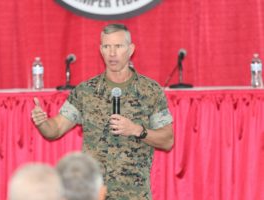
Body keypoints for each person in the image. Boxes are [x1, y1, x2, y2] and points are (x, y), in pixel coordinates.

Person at [31, 23, 174, 200]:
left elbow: (168, 140)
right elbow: (55, 130)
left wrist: (137, 130)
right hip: (93, 194)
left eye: (118, 46)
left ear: (130, 49)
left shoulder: (150, 91)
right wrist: (42, 122)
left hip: (134, 194)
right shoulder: (86, 91)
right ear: (101, 50)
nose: (112, 53)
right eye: (107, 47)